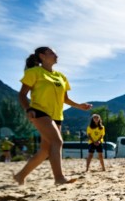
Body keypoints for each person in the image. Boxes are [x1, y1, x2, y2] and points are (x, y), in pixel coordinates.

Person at [13, 47, 92, 185]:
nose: (56, 55)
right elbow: (22, 95)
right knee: (57, 142)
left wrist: (79, 106)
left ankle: (20, 176)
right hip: (39, 112)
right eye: (52, 53)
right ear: (42, 56)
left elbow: (65, 99)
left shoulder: (61, 76)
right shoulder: (34, 72)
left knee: (45, 151)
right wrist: (28, 109)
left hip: (57, 115)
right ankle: (59, 178)